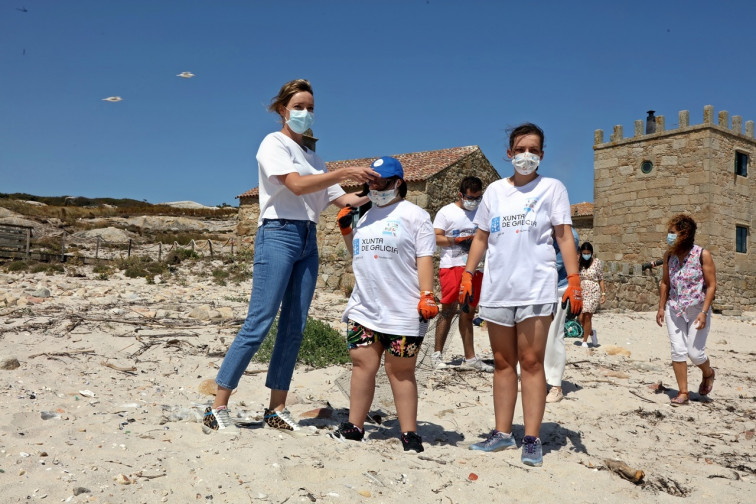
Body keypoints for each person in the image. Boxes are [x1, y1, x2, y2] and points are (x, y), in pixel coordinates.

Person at [203, 79, 378, 435]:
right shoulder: (274, 144)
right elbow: (295, 185)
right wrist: (344, 173)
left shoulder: (315, 157)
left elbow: (343, 201)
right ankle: (217, 405)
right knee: (260, 321)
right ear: (283, 109)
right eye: (299, 106)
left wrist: (380, 189)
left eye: (311, 107)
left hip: (306, 238)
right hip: (277, 234)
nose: (305, 113)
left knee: (294, 326)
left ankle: (276, 408)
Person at [459, 122, 582, 467]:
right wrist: (469, 273)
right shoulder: (495, 192)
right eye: (520, 149)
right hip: (498, 290)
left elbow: (564, 236)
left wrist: (573, 279)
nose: (526, 155)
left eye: (533, 150)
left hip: (535, 289)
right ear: (509, 153)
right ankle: (501, 433)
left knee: (530, 363)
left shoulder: (552, 189)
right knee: (501, 363)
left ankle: (531, 437)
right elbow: (481, 237)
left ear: (541, 155)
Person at [332, 156, 438, 453]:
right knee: (362, 365)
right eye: (370, 183)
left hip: (404, 309)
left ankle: (409, 433)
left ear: (398, 183)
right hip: (365, 306)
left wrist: (427, 294)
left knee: (400, 371)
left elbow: (424, 258)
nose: (374, 188)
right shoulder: (365, 216)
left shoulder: (415, 215)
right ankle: (355, 426)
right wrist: (347, 233)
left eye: (380, 182)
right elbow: (360, 256)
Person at [430, 176, 493, 372]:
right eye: (470, 197)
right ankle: (436, 354)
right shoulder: (447, 212)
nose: (474, 201)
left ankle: (470, 357)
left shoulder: (483, 212)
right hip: (452, 266)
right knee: (448, 310)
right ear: (461, 194)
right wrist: (457, 240)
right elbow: (434, 237)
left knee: (468, 312)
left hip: (476, 268)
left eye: (477, 197)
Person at [655, 214, 717, 406]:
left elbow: (711, 285)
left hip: (697, 309)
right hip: (675, 309)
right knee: (678, 351)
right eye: (668, 233)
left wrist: (704, 312)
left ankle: (708, 373)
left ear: (684, 234)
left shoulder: (702, 254)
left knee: (695, 353)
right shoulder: (669, 256)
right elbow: (665, 282)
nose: (669, 236)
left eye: (672, 233)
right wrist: (661, 307)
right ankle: (683, 392)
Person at [544, 227, 580, 403]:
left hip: (558, 290)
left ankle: (556, 386)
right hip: (538, 289)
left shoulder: (570, 235)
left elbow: (556, 263)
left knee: (554, 336)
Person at [578, 242, 606, 348]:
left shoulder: (597, 262)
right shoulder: (579, 263)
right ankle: (591, 333)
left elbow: (601, 278)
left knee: (588, 315)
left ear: (591, 253)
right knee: (581, 318)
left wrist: (603, 294)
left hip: (593, 291)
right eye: (584, 253)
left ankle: (584, 341)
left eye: (588, 253)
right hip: (582, 291)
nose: (586, 255)